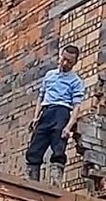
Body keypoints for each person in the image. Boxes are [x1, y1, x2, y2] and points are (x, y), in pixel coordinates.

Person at [24, 44, 84, 184]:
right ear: (60, 56)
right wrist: (36, 117)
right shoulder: (50, 75)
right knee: (35, 147)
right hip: (46, 112)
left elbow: (76, 107)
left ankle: (55, 184)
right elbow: (41, 97)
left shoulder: (75, 81)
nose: (65, 63)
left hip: (61, 113)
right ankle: (32, 182)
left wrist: (68, 126)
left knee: (58, 148)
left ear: (74, 63)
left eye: (69, 62)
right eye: (63, 59)